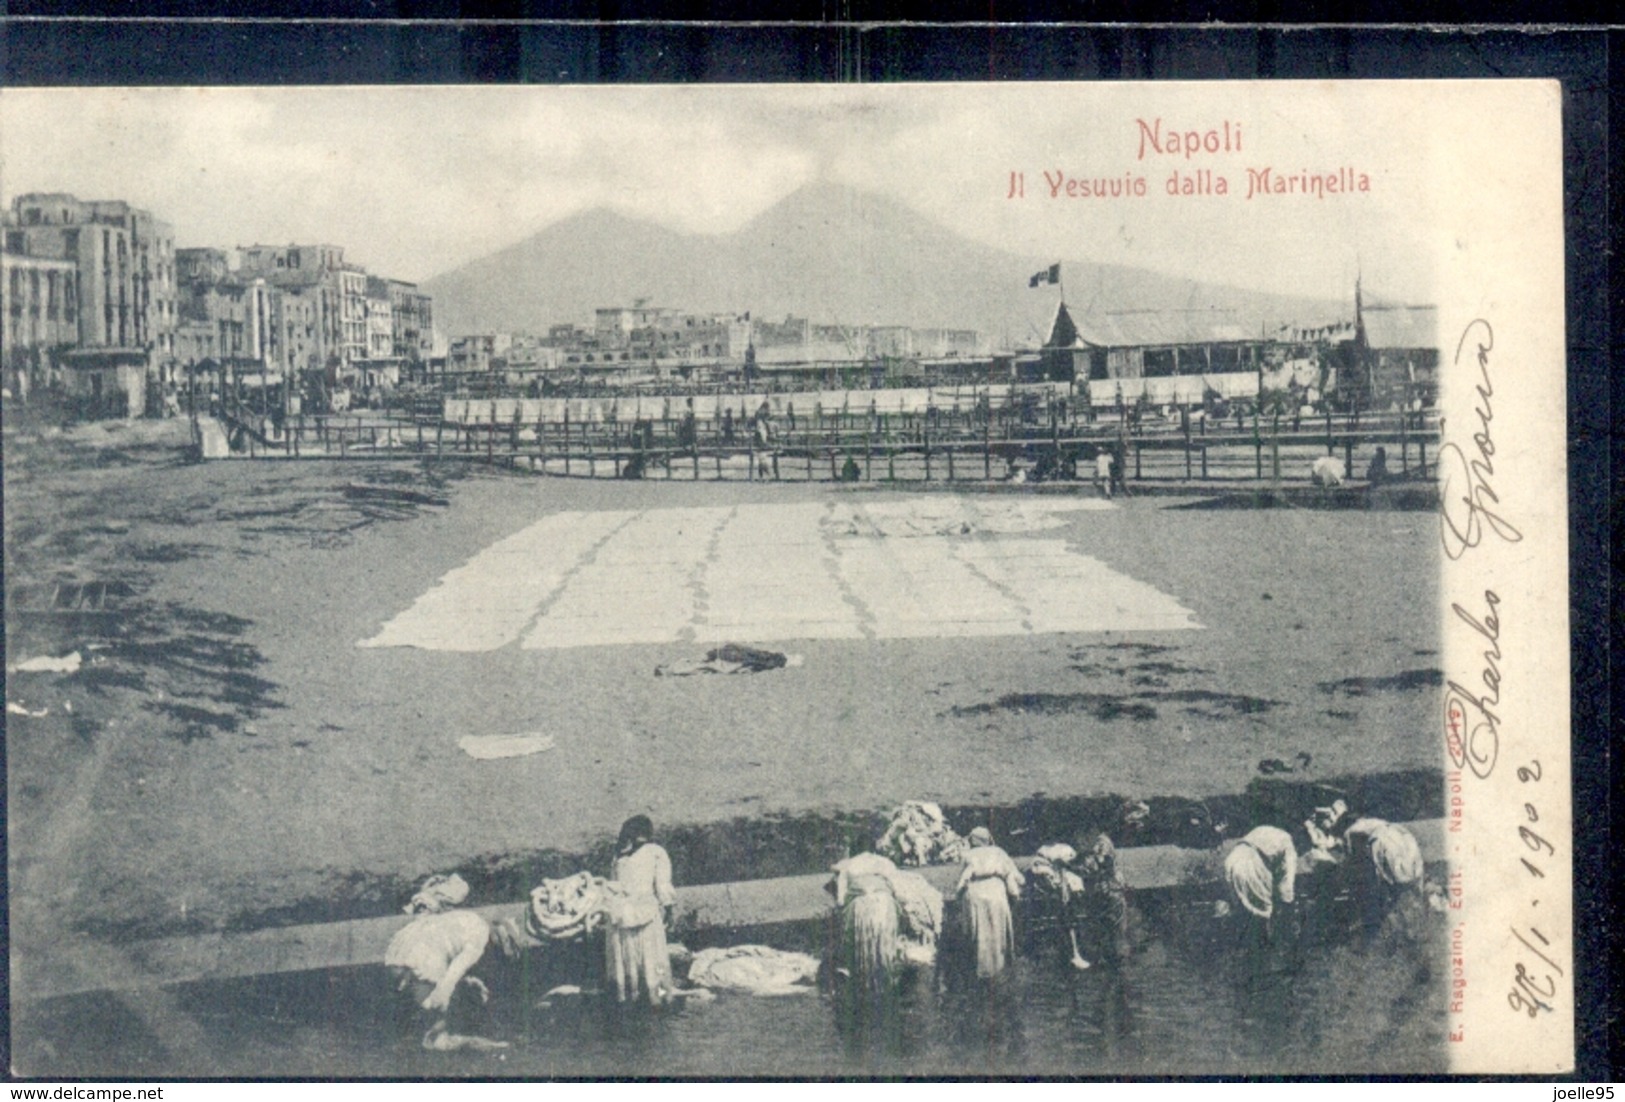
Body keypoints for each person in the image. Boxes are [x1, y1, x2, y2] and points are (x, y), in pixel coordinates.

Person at [384, 908, 520, 1051]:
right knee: (437, 1033)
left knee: (444, 997)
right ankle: (432, 1033)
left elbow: (445, 943)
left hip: (396, 952)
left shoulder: (473, 919)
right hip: (417, 958)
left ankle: (422, 1026)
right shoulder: (478, 943)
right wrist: (440, 1002)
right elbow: (452, 975)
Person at [605, 814, 678, 1006]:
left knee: (626, 956)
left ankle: (629, 996)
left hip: (622, 913)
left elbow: (613, 886)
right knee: (651, 955)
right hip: (645, 911)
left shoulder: (619, 856)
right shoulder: (655, 852)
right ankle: (657, 996)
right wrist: (669, 909)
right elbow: (662, 885)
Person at [829, 849, 907, 996]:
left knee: (849, 936)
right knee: (892, 935)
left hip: (858, 906)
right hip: (884, 902)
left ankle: (851, 967)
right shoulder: (886, 863)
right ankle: (890, 966)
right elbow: (901, 894)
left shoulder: (848, 866)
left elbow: (840, 901)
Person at [954, 826, 1025, 982]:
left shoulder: (968, 855)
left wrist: (958, 895)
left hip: (976, 893)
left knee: (978, 931)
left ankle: (980, 970)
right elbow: (1012, 873)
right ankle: (999, 969)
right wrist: (1016, 892)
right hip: (995, 892)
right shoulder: (998, 852)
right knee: (997, 929)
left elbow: (964, 878)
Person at [1221, 824, 1298, 929]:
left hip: (1231, 860)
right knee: (1262, 919)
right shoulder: (1288, 844)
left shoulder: (1263, 829)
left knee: (1240, 911)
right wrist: (1288, 909)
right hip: (1251, 866)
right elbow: (1285, 884)